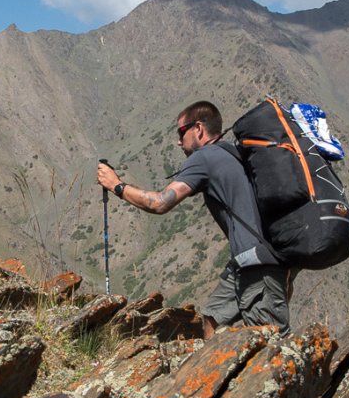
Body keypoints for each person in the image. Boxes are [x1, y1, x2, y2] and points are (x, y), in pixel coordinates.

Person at [95, 100, 288, 334]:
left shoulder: (205, 157)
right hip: (251, 260)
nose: (179, 141)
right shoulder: (232, 152)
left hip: (260, 263)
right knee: (213, 317)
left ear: (198, 129)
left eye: (181, 132)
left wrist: (117, 185)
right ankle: (215, 359)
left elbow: (159, 203)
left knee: (269, 338)